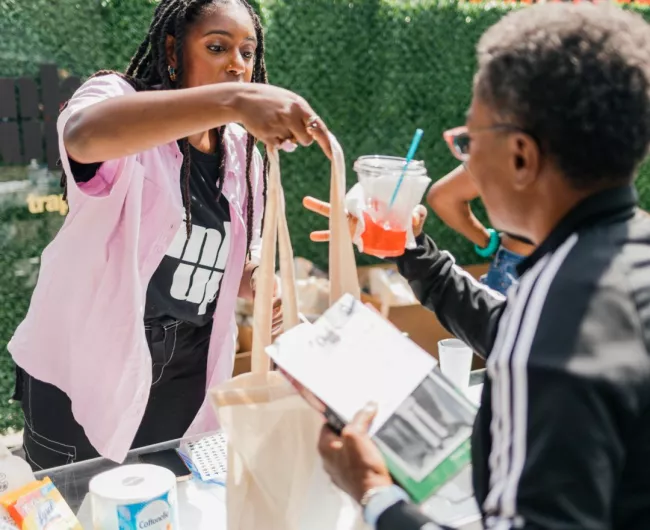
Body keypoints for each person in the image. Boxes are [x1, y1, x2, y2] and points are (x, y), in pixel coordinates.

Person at [310, 3, 650, 528]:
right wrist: (412, 251)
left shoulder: (558, 320)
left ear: (520, 155)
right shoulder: (617, 256)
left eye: (468, 142)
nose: (465, 161)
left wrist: (375, 494)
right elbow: (508, 323)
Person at [8, 0, 332, 469]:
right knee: (83, 509)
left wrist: (258, 278)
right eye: (218, 47)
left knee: (168, 506)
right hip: (88, 365)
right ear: (173, 50)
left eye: (247, 51)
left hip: (187, 370)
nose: (238, 64)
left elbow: (231, 255)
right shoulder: (118, 98)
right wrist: (234, 101)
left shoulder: (241, 152)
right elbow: (82, 136)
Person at [427, 165, 534, 294]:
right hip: (555, 265)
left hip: (515, 269)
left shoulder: (513, 149)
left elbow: (442, 198)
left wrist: (490, 243)